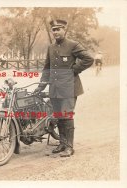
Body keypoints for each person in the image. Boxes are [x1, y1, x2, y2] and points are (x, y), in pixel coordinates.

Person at [34, 19, 94, 157]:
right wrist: (41, 85)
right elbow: (47, 68)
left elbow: (88, 59)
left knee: (66, 115)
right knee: (59, 116)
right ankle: (62, 143)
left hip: (69, 87)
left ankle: (69, 147)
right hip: (54, 88)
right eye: (53, 30)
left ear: (64, 30)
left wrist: (74, 70)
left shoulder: (73, 45)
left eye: (58, 29)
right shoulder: (51, 47)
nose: (55, 32)